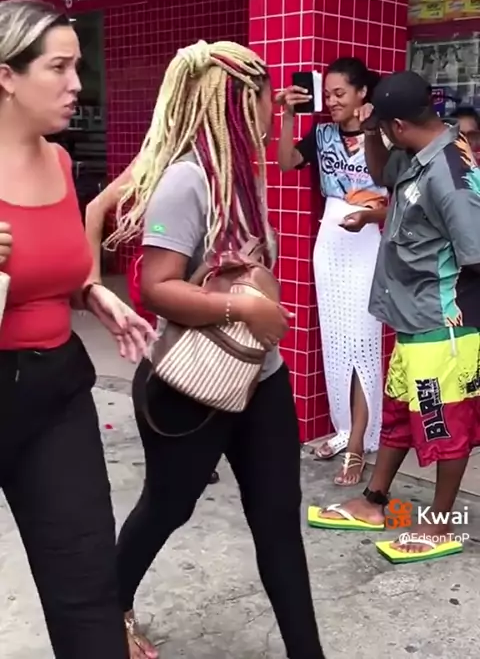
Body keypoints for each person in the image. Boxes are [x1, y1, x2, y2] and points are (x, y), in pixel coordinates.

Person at [104, 40, 326, 659]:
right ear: (238, 100)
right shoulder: (187, 179)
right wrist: (245, 308)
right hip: (191, 386)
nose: (272, 107)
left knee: (279, 523)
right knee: (167, 507)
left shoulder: (244, 174)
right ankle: (109, 606)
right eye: (266, 96)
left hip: (261, 379)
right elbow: (157, 286)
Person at [0, 0, 156, 659]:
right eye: (59, 67)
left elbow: (53, 263)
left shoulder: (61, 164)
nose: (76, 85)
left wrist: (91, 292)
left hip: (55, 392)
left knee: (87, 585)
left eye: (78, 66)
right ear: (7, 76)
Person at [310, 71, 480, 564]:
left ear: (400, 125)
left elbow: (475, 252)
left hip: (442, 326)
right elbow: (386, 177)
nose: (379, 134)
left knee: (444, 425)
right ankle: (374, 501)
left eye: (383, 128)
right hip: (413, 319)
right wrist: (370, 134)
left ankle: (440, 523)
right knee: (402, 417)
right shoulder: (419, 154)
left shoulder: (450, 174)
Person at [277, 57, 387, 486]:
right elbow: (286, 162)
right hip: (330, 244)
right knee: (337, 345)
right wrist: (288, 116)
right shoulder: (322, 134)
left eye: (340, 93)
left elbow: (386, 184)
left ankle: (359, 444)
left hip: (365, 243)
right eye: (328, 94)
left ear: (362, 93)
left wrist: (372, 129)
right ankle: (345, 430)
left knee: (362, 345)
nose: (332, 101)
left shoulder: (384, 134)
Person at [86, 169, 221, 485]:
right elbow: (95, 208)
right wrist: (92, 284)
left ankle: (191, 450)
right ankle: (169, 451)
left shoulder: (212, 163)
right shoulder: (153, 161)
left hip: (193, 273)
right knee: (165, 358)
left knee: (192, 362)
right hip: (158, 274)